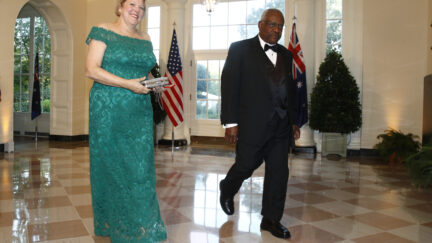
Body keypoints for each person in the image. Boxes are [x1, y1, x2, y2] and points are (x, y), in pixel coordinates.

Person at [85, 0, 167, 242]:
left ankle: (142, 224)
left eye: (141, 7)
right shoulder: (103, 30)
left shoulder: (146, 38)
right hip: (107, 109)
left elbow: (147, 71)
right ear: (120, 7)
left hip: (139, 108)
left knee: (140, 169)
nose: (137, 10)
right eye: (132, 4)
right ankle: (116, 224)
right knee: (112, 168)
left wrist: (155, 82)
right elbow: (91, 69)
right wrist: (127, 84)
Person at [219, 8, 300, 239]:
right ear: (260, 25)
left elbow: (290, 91)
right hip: (252, 124)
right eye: (272, 25)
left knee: (278, 173)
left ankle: (271, 220)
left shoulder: (286, 55)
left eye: (280, 26)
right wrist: (230, 123)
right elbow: (230, 86)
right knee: (245, 166)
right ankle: (227, 187)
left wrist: (293, 121)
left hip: (281, 127)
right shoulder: (240, 49)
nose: (276, 30)